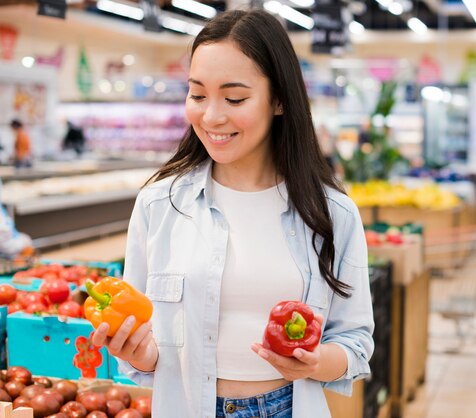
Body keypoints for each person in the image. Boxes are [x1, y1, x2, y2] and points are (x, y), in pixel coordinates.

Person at [92, 9, 374, 418]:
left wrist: (316, 362)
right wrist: (137, 353)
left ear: (279, 99)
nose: (211, 116)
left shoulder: (332, 213)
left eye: (235, 97)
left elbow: (355, 341)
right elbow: (147, 347)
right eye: (198, 94)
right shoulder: (159, 205)